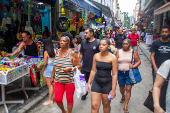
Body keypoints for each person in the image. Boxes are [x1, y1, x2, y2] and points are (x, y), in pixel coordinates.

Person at [51, 34, 81, 113]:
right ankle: (63, 110)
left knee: (69, 99)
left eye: (64, 41)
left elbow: (79, 66)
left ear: (68, 43)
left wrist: (70, 68)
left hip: (69, 81)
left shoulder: (72, 53)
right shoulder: (57, 51)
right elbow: (55, 65)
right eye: (61, 41)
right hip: (58, 80)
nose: (62, 42)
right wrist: (52, 76)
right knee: (57, 99)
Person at [87, 38, 118, 113]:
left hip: (108, 84)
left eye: (103, 45)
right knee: (94, 106)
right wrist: (89, 82)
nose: (101, 46)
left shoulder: (113, 58)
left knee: (106, 105)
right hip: (96, 82)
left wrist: (113, 89)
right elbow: (93, 70)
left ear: (108, 46)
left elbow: (114, 74)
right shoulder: (96, 56)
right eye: (100, 44)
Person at [115, 39, 141, 113]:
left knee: (128, 89)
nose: (124, 45)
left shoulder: (133, 52)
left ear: (129, 44)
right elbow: (115, 61)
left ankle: (125, 106)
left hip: (129, 74)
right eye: (123, 44)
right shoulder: (118, 52)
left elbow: (139, 61)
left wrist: (133, 66)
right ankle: (123, 96)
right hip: (120, 73)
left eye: (126, 44)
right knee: (121, 87)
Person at [79, 28, 100, 100]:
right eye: (84, 33)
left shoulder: (97, 42)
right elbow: (81, 54)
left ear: (91, 33)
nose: (84, 34)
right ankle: (85, 93)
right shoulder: (83, 42)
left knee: (94, 83)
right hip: (84, 67)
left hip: (94, 68)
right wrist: (79, 63)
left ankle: (95, 95)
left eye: (86, 33)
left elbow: (100, 55)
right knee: (82, 82)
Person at [37, 39, 55, 106]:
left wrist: (39, 65)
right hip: (54, 68)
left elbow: (44, 63)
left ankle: (50, 100)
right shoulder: (55, 50)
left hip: (49, 69)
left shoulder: (46, 52)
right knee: (53, 84)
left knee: (50, 85)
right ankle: (54, 98)